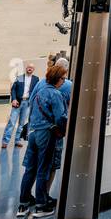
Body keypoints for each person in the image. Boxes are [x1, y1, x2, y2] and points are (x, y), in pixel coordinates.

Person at [17, 63, 68, 219]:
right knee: (43, 169)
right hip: (46, 134)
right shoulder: (56, 94)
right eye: (63, 78)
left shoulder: (40, 91)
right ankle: (41, 205)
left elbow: (32, 108)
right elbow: (61, 117)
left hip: (33, 132)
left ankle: (23, 204)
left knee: (29, 169)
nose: (64, 81)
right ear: (57, 79)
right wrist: (63, 130)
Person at [48, 59, 73, 197]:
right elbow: (61, 116)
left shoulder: (41, 83)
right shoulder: (66, 87)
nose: (63, 81)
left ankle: (25, 200)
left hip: (38, 129)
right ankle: (43, 199)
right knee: (51, 165)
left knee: (35, 166)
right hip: (55, 131)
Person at [3, 63, 39, 149]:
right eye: (28, 67)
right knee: (12, 122)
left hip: (27, 103)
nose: (30, 69)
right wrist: (14, 99)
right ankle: (5, 141)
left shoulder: (36, 79)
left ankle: (17, 140)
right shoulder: (20, 77)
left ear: (33, 69)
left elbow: (37, 91)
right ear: (26, 68)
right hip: (18, 102)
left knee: (21, 124)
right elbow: (13, 89)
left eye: (31, 68)